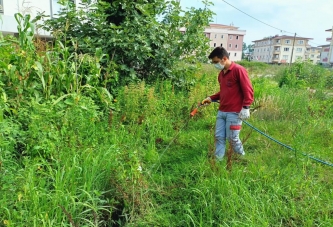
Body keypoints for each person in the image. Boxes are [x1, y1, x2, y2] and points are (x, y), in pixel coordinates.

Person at [201, 47, 254, 161]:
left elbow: (248, 90)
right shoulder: (221, 74)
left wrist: (246, 107)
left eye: (216, 62)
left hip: (234, 112)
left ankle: (242, 158)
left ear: (224, 59)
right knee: (219, 137)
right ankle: (218, 159)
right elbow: (224, 92)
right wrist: (211, 98)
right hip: (222, 111)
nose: (215, 65)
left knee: (232, 138)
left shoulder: (239, 70)